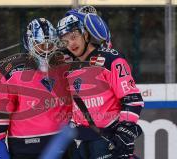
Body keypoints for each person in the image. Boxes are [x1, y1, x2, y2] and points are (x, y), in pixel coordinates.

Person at [0, 18, 72, 159]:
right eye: (40, 45)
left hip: (62, 145)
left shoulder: (65, 65)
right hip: (25, 147)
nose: (46, 51)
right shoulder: (11, 71)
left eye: (50, 45)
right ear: (29, 43)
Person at [56, 11, 144, 159]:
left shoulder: (110, 59)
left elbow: (132, 99)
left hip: (107, 139)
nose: (70, 44)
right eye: (65, 41)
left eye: (73, 37)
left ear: (85, 34)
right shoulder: (67, 65)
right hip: (80, 143)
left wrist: (124, 132)